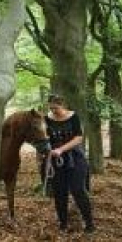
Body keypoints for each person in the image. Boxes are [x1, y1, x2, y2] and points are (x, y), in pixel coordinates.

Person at [44, 94, 95, 233]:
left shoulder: (74, 117)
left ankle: (89, 223)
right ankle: (63, 223)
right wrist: (47, 149)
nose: (54, 111)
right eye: (52, 108)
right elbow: (45, 137)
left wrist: (61, 149)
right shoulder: (47, 119)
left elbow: (78, 138)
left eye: (56, 108)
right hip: (55, 160)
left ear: (62, 105)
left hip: (75, 158)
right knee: (59, 192)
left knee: (78, 190)